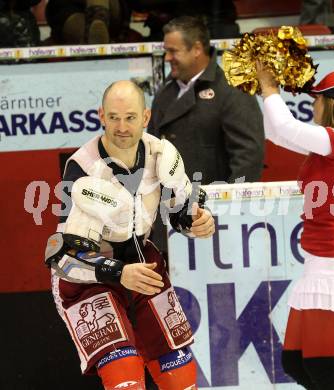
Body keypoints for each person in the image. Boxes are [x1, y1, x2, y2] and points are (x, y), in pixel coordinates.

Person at [45, 80, 215, 390]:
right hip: (89, 277)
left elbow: (182, 211)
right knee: (125, 379)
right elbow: (59, 258)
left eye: (130, 117)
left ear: (146, 117)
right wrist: (119, 272)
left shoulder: (161, 154)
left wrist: (196, 223)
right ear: (101, 116)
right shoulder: (83, 169)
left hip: (142, 265)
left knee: (181, 378)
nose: (122, 127)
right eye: (114, 117)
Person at [256, 64, 334, 389]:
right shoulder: (330, 144)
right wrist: (263, 91)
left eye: (317, 99)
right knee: (294, 363)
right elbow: (275, 132)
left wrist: (269, 86)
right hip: (319, 262)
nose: (313, 105)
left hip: (332, 264)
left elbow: (284, 124)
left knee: (319, 365)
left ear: (331, 103)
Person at [148, 15, 264, 186]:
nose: (167, 58)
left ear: (196, 49)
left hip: (211, 206)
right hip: (168, 204)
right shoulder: (164, 92)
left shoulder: (233, 90)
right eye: (166, 51)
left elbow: (248, 157)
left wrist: (230, 204)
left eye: (173, 51)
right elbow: (150, 149)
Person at [45, 0, 142, 45]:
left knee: (75, 23)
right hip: (69, 14)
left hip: (109, 13)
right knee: (76, 22)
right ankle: (95, 27)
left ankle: (95, 26)